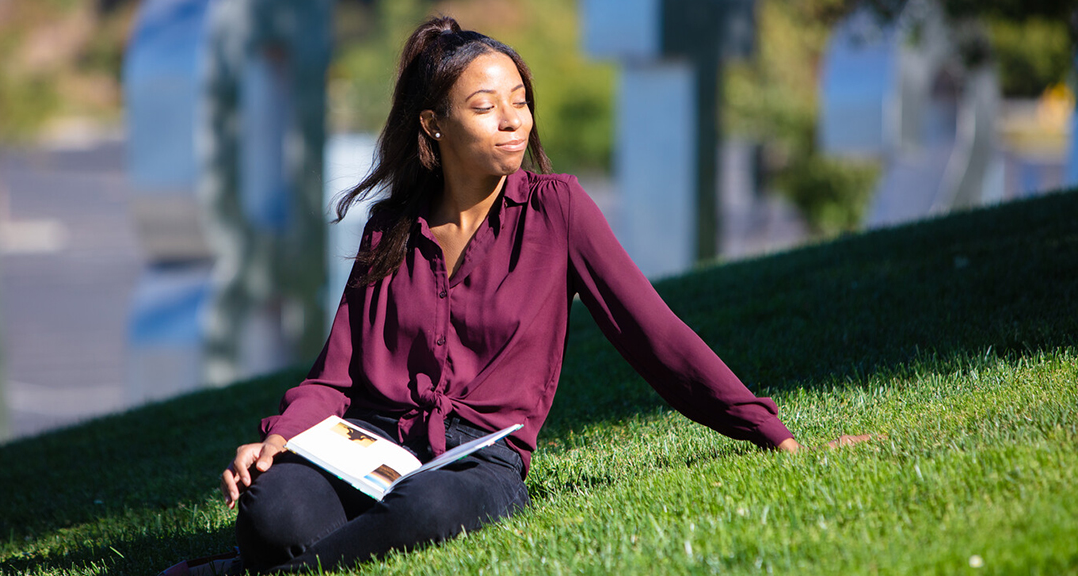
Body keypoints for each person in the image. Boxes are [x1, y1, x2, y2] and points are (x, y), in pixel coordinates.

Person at [161, 15, 867, 576]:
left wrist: (771, 432)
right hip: (365, 443)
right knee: (272, 508)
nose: (513, 121)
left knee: (427, 508)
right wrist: (279, 438)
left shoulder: (557, 210)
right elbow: (335, 374)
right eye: (485, 106)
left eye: (520, 102)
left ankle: (237, 574)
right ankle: (278, 555)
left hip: (477, 461)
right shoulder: (390, 227)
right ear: (433, 125)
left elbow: (654, 334)